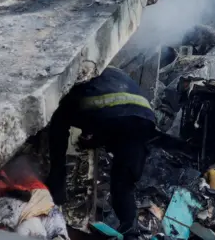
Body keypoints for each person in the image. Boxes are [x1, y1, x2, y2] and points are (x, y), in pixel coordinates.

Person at [46, 66, 157, 240]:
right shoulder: (108, 73)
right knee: (123, 184)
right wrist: (95, 139)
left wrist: (56, 177)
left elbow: (59, 130)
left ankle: (56, 187)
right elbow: (115, 123)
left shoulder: (69, 81)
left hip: (110, 114)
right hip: (144, 119)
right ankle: (130, 231)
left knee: (58, 122)